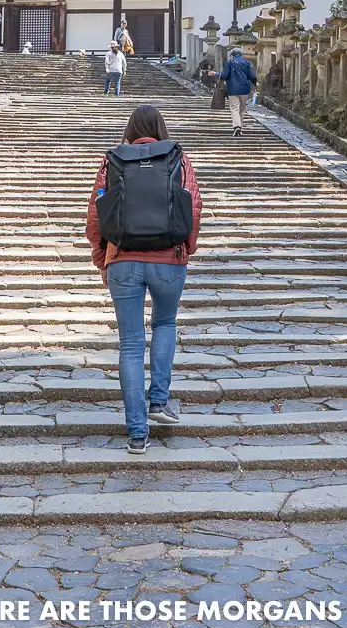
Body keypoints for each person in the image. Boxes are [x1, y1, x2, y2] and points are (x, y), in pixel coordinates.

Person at [85, 104, 202, 453]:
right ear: (161, 127)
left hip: (122, 259)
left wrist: (102, 259)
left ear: (130, 129)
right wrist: (186, 248)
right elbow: (193, 207)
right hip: (170, 259)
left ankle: (137, 434)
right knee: (165, 324)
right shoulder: (178, 158)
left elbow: (95, 213)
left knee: (131, 344)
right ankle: (159, 402)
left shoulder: (113, 161)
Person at [219, 50, 257, 136]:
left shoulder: (229, 62)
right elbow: (252, 76)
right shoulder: (247, 63)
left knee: (234, 108)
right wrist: (255, 87)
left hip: (232, 89)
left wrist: (216, 74)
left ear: (232, 55)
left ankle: (237, 127)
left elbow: (224, 75)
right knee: (242, 109)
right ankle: (240, 127)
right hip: (245, 89)